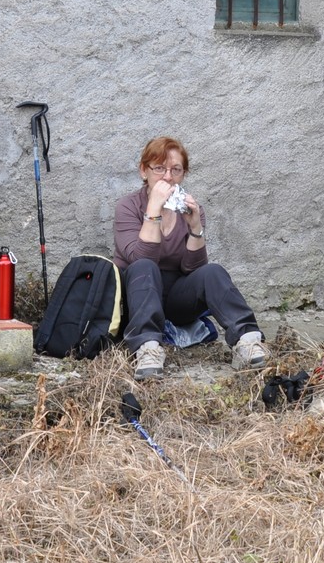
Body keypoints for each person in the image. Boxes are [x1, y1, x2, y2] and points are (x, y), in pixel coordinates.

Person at [112, 136, 268, 380]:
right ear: (144, 171)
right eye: (159, 168)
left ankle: (247, 339)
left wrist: (195, 226)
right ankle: (147, 349)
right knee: (144, 266)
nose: (167, 177)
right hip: (137, 297)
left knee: (213, 271)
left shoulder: (188, 208)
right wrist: (153, 209)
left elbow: (193, 269)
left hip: (176, 298)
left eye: (176, 170)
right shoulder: (128, 207)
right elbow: (140, 258)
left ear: (183, 174)